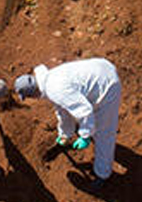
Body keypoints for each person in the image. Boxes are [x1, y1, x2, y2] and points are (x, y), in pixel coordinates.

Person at [15, 58, 122, 190]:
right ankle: (86, 135)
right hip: (101, 68)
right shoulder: (50, 79)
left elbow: (84, 110)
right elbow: (63, 110)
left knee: (103, 134)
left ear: (34, 94)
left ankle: (103, 174)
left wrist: (85, 135)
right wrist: (65, 135)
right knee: (83, 115)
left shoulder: (56, 90)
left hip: (107, 85)